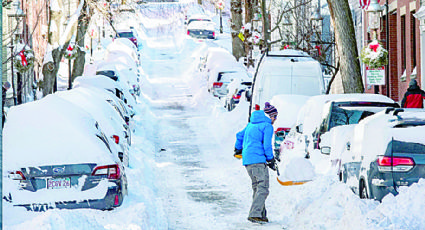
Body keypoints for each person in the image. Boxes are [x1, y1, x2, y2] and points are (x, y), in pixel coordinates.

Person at [234, 102, 277, 224]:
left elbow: (239, 135)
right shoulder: (267, 126)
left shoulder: (251, 124)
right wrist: (270, 159)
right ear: (270, 116)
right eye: (274, 116)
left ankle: (261, 215)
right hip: (258, 160)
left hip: (247, 160)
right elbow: (267, 145)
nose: (275, 119)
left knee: (257, 187)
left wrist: (238, 149)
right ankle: (255, 214)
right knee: (263, 187)